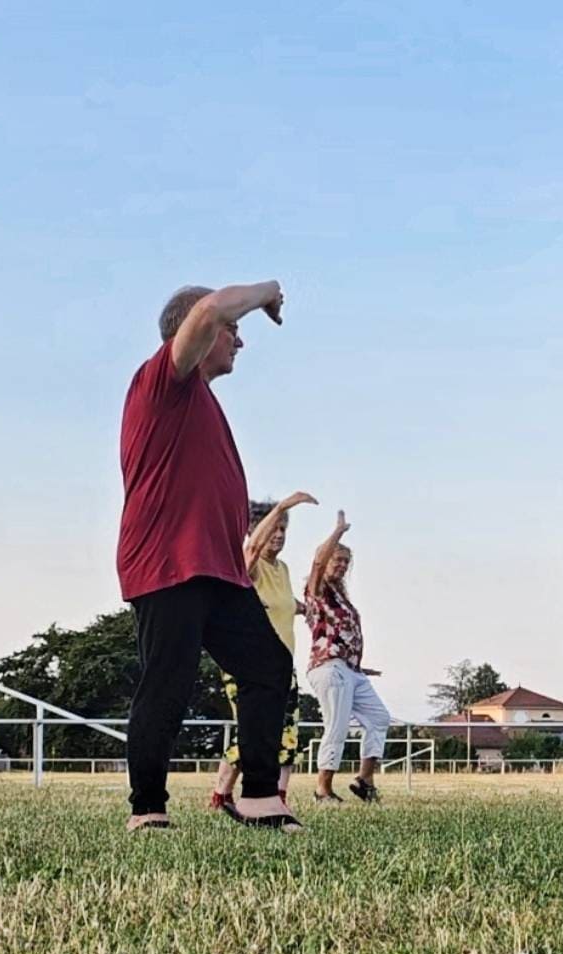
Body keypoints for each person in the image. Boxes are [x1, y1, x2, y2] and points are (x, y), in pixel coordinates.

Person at [117, 281, 299, 833]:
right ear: (195, 334)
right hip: (169, 563)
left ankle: (263, 797)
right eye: (233, 332)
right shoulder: (164, 382)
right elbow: (208, 308)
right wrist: (269, 291)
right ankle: (147, 808)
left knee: (269, 667)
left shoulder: (199, 400)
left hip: (219, 571)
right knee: (167, 682)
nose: (239, 342)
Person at [209, 491, 317, 812]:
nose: (279, 534)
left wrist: (304, 608)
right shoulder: (246, 563)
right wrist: (282, 505)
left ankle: (276, 799)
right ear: (253, 530)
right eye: (273, 527)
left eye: (284, 528)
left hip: (281, 664)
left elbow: (282, 603)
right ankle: (221, 795)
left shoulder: (281, 569)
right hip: (244, 663)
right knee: (253, 729)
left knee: (286, 734)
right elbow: (252, 550)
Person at [303, 511, 394, 804]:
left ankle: (364, 780)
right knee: (337, 726)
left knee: (379, 718)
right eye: (337, 560)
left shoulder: (342, 598)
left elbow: (343, 634)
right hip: (328, 667)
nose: (341, 565)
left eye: (345, 562)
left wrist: (359, 665)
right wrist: (338, 533)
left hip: (350, 669)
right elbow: (317, 561)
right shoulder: (317, 591)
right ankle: (323, 788)